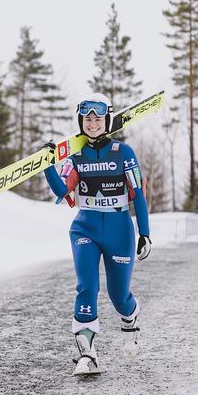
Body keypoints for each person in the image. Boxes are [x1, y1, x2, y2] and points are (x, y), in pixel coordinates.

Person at [42, 93, 151, 376]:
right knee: (87, 286)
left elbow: (138, 195)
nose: (92, 123)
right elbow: (62, 190)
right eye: (87, 118)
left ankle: (130, 316)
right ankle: (87, 355)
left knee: (119, 296)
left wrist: (145, 233)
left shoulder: (123, 152)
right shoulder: (76, 155)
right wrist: (48, 165)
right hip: (85, 228)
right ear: (81, 121)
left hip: (119, 230)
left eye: (97, 118)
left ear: (107, 120)